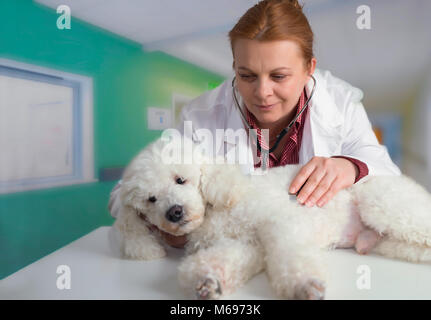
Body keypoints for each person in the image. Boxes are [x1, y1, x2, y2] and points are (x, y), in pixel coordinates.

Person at [109, 0, 400, 248]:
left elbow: (386, 172)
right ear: (234, 66)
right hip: (234, 253)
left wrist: (350, 166)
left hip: (321, 250)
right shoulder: (200, 115)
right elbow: (126, 191)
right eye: (247, 76)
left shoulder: (340, 104)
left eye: (279, 76)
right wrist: (160, 220)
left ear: (309, 69)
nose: (262, 93)